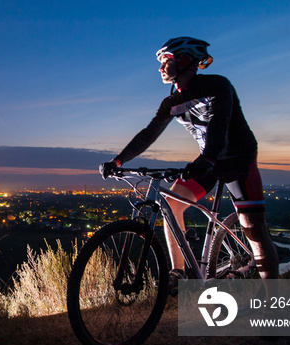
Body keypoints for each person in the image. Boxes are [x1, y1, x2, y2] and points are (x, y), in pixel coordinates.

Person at [100, 37, 278, 288]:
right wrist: (118, 160)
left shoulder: (218, 85)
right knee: (171, 207)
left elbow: (219, 125)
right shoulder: (172, 102)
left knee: (253, 229)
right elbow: (148, 134)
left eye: (165, 61)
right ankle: (178, 272)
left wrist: (207, 158)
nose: (160, 68)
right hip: (207, 161)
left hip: (237, 160)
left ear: (184, 60)